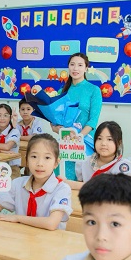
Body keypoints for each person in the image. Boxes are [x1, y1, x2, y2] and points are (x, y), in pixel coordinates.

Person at [0, 134, 73, 231]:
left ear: (56, 163)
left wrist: (17, 218)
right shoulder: (18, 184)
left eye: (47, 158)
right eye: (34, 156)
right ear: (26, 160)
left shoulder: (62, 189)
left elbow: (51, 223)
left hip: (50, 242)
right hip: (21, 239)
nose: (40, 163)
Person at [52, 53, 102, 181]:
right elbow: (54, 120)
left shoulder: (94, 90)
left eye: (80, 65)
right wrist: (58, 129)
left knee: (83, 180)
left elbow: (93, 120)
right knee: (62, 179)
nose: (75, 68)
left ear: (86, 68)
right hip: (65, 143)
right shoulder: (62, 91)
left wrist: (79, 137)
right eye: (72, 64)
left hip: (85, 143)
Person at [67, 121, 131, 190]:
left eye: (109, 139)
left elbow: (116, 190)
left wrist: (74, 185)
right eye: (99, 138)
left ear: (119, 143)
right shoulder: (84, 162)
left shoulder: (123, 166)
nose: (103, 143)